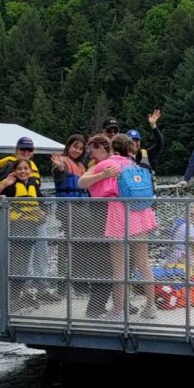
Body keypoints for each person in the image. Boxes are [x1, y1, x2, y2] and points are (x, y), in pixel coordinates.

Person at [78, 134, 158, 321]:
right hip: (142, 214)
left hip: (119, 215)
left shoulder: (109, 164)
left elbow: (81, 182)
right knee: (143, 263)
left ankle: (117, 310)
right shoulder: (134, 164)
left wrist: (101, 175)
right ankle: (151, 306)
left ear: (112, 148)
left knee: (118, 267)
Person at [0, 158, 53, 302]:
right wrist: (4, 184)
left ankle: (19, 298)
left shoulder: (33, 185)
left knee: (24, 264)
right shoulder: (10, 184)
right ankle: (13, 299)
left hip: (31, 227)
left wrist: (42, 213)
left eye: (26, 168)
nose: (23, 171)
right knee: (17, 264)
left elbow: (42, 204)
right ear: (14, 171)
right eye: (20, 169)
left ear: (30, 171)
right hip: (15, 227)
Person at [126, 108, 164, 174]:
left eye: (137, 140)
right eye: (133, 140)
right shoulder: (121, 157)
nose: (136, 142)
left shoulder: (145, 154)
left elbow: (159, 144)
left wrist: (153, 126)